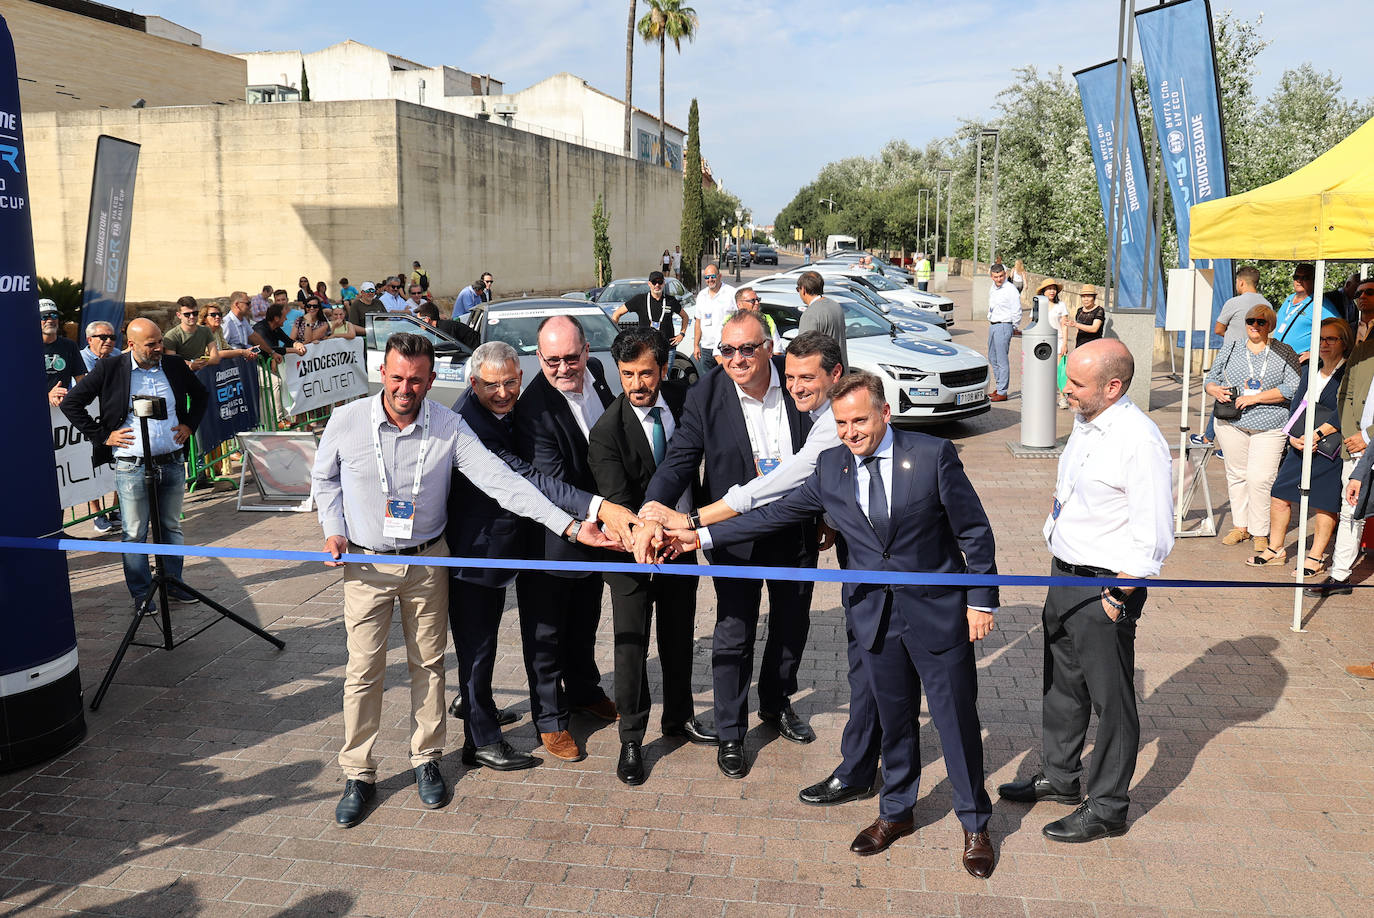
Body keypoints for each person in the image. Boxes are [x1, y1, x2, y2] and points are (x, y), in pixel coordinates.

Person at [657, 371, 999, 877]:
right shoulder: (831, 467)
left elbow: (974, 531)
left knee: (956, 723)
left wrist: (981, 602)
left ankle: (974, 823)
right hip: (874, 617)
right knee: (896, 720)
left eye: (860, 420)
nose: (850, 432)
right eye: (840, 423)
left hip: (938, 614)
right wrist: (699, 536)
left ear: (885, 413)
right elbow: (773, 513)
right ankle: (895, 812)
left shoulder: (931, 456)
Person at [311, 332, 616, 829]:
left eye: (415, 379)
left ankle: (426, 759)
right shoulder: (345, 421)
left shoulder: (450, 426)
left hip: (430, 561)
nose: (405, 388)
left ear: (432, 379)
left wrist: (568, 523)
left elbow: (504, 482)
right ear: (382, 375)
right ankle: (358, 773)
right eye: (396, 377)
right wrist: (334, 529)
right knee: (363, 672)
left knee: (429, 665)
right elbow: (324, 479)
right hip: (364, 565)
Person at [998, 338, 1174, 844]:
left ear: (1113, 386)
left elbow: (1156, 532)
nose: (1064, 390)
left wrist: (1122, 592)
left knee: (1111, 700)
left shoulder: (1139, 441)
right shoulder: (1087, 421)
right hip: (1065, 574)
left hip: (1105, 586)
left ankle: (1108, 806)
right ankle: (1060, 775)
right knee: (1062, 685)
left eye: (1075, 383)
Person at [642, 311, 818, 779]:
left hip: (795, 529)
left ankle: (776, 705)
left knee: (791, 622)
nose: (735, 359)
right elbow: (679, 461)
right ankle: (731, 731)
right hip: (732, 535)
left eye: (747, 349)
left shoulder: (798, 383)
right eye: (726, 350)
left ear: (769, 348)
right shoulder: (706, 394)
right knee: (734, 631)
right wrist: (652, 510)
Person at [447, 340, 637, 772]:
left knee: (573, 622)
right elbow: (525, 476)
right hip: (478, 549)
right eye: (492, 385)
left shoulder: (553, 392)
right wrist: (590, 513)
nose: (503, 393)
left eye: (510, 382)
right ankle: (481, 739)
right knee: (479, 648)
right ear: (474, 382)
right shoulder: (465, 424)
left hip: (531, 536)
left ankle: (574, 694)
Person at [588, 328, 715, 785]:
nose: (637, 384)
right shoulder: (606, 432)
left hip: (681, 548)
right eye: (627, 374)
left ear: (663, 368)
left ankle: (679, 717)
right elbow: (619, 504)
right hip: (631, 555)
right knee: (631, 645)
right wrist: (647, 532)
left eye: (646, 373)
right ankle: (631, 739)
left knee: (679, 635)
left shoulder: (686, 403)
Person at [513, 315, 620, 763]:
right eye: (552, 360)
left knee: (584, 621)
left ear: (587, 353)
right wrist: (604, 511)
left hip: (595, 537)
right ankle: (551, 720)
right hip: (552, 541)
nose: (563, 368)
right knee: (546, 634)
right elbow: (551, 484)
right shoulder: (533, 410)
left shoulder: (596, 376)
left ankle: (583, 690)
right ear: (539, 358)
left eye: (571, 358)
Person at [60, 318, 209, 610]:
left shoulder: (174, 365)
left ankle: (173, 581)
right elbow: (72, 403)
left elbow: (201, 395)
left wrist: (189, 425)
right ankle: (142, 593)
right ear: (131, 345)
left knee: (170, 526)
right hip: (132, 464)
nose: (158, 348)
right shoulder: (111, 368)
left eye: (160, 342)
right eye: (151, 344)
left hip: (172, 460)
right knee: (134, 531)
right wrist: (103, 436)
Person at [1252, 318, 1352, 575]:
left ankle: (1316, 557)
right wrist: (1292, 434)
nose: (1324, 344)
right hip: (1299, 442)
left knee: (1324, 502)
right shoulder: (1310, 368)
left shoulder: (1349, 372)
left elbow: (1346, 410)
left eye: (1331, 339)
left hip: (1329, 446)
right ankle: (1276, 549)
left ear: (1344, 343)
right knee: (1279, 494)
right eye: (1320, 339)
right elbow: (1297, 404)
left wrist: (1318, 434)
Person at [1204, 304, 1301, 552]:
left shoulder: (1284, 352)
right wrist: (1214, 389)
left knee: (1260, 478)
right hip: (1232, 422)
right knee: (1236, 474)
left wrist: (1256, 398)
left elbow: (1293, 387)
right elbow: (1211, 379)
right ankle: (1241, 526)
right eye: (1250, 321)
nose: (1255, 326)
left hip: (1270, 423)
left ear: (1271, 325)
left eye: (1261, 322)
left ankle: (1260, 531)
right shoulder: (1232, 347)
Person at [1307, 277, 1374, 597]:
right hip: (1356, 444)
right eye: (1359, 293)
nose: (1362, 297)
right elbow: (1346, 394)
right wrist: (1351, 433)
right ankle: (1340, 575)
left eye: (1370, 292)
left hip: (1367, 438)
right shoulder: (1360, 334)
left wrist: (1368, 434)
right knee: (1351, 509)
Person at [1191, 267, 1272, 446]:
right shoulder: (1267, 304)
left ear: (1241, 282)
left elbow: (1219, 329)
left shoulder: (1234, 302)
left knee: (1225, 398)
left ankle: (1211, 439)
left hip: (1233, 358)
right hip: (1259, 358)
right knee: (1249, 399)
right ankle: (1211, 437)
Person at [1274, 263, 1341, 363]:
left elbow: (1341, 330)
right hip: (1277, 359)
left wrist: (1316, 353)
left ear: (1315, 280)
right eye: (1296, 277)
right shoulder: (1289, 299)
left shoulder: (1320, 303)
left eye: (1305, 278)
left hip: (1299, 363)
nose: (1299, 281)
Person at [795, 271, 849, 372]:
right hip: (840, 372)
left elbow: (804, 351)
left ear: (803, 289)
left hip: (823, 376)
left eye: (798, 289)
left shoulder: (810, 314)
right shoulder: (836, 306)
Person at [611, 271, 683, 344]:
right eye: (654, 282)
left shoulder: (671, 300)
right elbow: (616, 314)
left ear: (664, 283)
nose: (657, 285)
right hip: (646, 349)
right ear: (649, 284)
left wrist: (681, 334)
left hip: (668, 348)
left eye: (660, 282)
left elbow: (685, 317)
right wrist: (615, 336)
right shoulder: (640, 299)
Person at [690, 263, 736, 376]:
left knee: (726, 380)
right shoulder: (701, 296)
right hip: (706, 348)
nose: (710, 280)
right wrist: (696, 345)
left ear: (719, 276)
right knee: (708, 382)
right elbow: (698, 322)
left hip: (725, 347)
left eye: (713, 276)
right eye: (707, 277)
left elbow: (740, 318)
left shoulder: (731, 293)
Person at [985, 263, 1021, 402]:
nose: (999, 279)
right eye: (996, 277)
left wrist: (1013, 327)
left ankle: (1002, 391)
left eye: (1001, 276)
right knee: (992, 357)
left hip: (1004, 325)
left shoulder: (1010, 289)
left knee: (1001, 359)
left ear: (1005, 275)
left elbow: (1016, 310)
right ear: (991, 276)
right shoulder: (993, 288)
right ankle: (1000, 386)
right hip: (993, 324)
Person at [41, 299, 84, 407]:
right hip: (33, 406)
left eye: (54, 316)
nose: (50, 320)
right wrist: (47, 396)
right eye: (44, 317)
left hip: (62, 406)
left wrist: (71, 396)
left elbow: (81, 380)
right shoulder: (26, 347)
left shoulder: (70, 345)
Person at [161, 296, 218, 371]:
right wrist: (191, 365)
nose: (192, 317)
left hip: (202, 373)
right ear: (179, 315)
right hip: (181, 374)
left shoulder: (206, 330)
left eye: (195, 313)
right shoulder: (171, 336)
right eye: (187, 314)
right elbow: (172, 361)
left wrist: (200, 364)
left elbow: (215, 358)